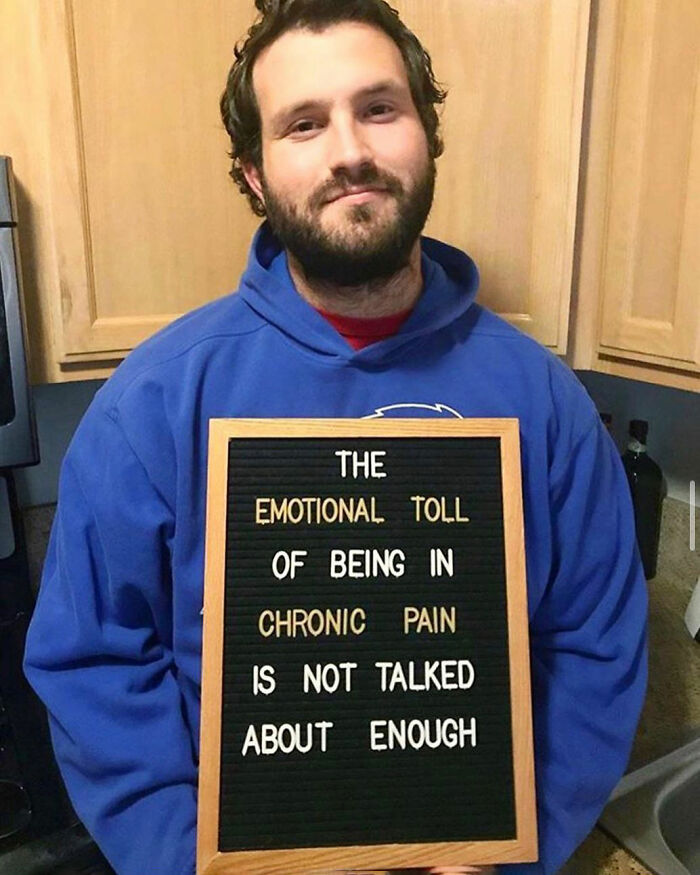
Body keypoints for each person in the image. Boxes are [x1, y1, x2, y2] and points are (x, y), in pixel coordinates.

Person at [24, 1, 648, 873]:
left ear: (427, 135)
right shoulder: (153, 405)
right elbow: (94, 662)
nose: (350, 151)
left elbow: (595, 645)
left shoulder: (546, 405)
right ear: (253, 171)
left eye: (380, 108)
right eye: (304, 124)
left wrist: (513, 850)